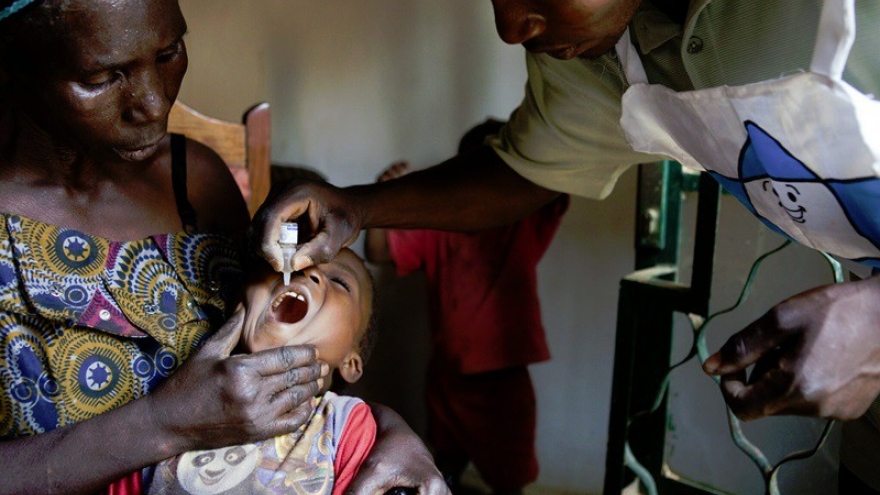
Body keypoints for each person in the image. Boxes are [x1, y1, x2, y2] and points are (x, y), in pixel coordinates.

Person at [249, 0, 880, 492]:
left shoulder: (357, 434)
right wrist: (362, 205)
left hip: (500, 378)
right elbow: (522, 169)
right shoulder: (590, 61)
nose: (511, 28)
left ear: (353, 361)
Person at [0, 1, 447, 494]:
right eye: (102, 77)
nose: (154, 104)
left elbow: (273, 361)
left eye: (169, 52)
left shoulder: (194, 180)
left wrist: (383, 433)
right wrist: (161, 422)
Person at [365, 119, 570, 495]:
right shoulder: (441, 229)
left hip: (503, 377)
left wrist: (535, 143)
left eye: (498, 173)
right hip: (448, 374)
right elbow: (378, 252)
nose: (485, 188)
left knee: (509, 476)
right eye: (477, 174)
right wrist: (382, 196)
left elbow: (558, 179)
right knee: (442, 469)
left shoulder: (522, 223)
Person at [148, 248, 381, 495]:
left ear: (350, 363)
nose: (307, 269)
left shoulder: (347, 427)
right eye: (288, 261)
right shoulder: (180, 403)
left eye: (340, 282)